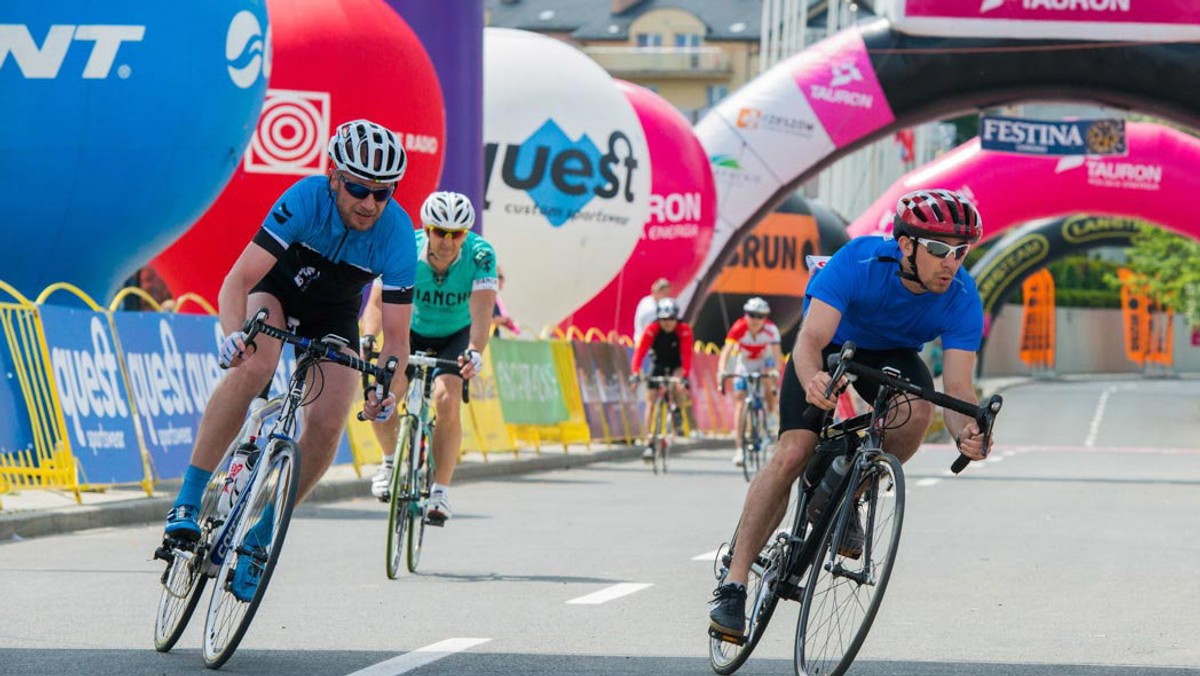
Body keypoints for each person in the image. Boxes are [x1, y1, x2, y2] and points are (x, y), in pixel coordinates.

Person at [708, 189, 995, 640]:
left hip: (892, 354)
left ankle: (848, 487)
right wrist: (812, 381)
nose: (951, 262)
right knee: (794, 452)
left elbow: (957, 389)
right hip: (830, 344)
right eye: (939, 250)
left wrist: (967, 434)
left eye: (960, 252)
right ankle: (734, 583)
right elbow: (808, 342)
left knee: (917, 412)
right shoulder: (859, 260)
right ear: (906, 245)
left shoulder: (961, 294)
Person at [161, 119, 416, 600]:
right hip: (275, 291)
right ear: (334, 176)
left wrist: (390, 393)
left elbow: (397, 344)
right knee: (256, 363)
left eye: (382, 194)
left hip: (335, 313)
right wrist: (234, 338)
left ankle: (262, 533)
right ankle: (187, 501)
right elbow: (237, 281)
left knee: (328, 420)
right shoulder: (304, 199)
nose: (369, 204)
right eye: (359, 188)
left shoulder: (398, 234)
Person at [361, 190, 497, 524]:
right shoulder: (406, 247)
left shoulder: (480, 256)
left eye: (456, 234)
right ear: (427, 228)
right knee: (383, 392)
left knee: (446, 398)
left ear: (466, 234)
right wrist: (367, 336)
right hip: (409, 330)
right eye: (440, 232)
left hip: (455, 336)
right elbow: (378, 301)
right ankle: (390, 461)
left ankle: (440, 492)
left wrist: (475, 352)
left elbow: (482, 313)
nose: (447, 241)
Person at [717, 297, 784, 467]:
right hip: (745, 363)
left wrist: (776, 370)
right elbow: (726, 351)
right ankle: (739, 449)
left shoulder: (771, 329)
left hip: (764, 361)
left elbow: (777, 355)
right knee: (740, 401)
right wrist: (722, 371)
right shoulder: (739, 327)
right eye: (751, 315)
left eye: (760, 316)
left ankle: (770, 416)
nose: (755, 320)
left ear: (765, 318)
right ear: (746, 315)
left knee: (768, 376)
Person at [630, 298, 694, 460]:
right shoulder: (652, 329)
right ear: (658, 318)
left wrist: (684, 376)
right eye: (664, 319)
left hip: (676, 364)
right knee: (651, 400)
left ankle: (677, 409)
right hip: (658, 362)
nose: (667, 323)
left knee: (677, 383)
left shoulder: (684, 330)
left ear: (676, 318)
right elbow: (640, 352)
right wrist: (635, 372)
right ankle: (649, 442)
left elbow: (687, 355)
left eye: (671, 319)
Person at [633, 277, 672, 342]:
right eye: (665, 294)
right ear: (656, 292)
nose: (667, 297)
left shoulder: (645, 300)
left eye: (668, 294)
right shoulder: (651, 310)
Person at [490, 266, 520, 337]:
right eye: (500, 277)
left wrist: (507, 321)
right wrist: (502, 320)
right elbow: (479, 322)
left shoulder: (496, 300)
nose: (503, 280)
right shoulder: (483, 298)